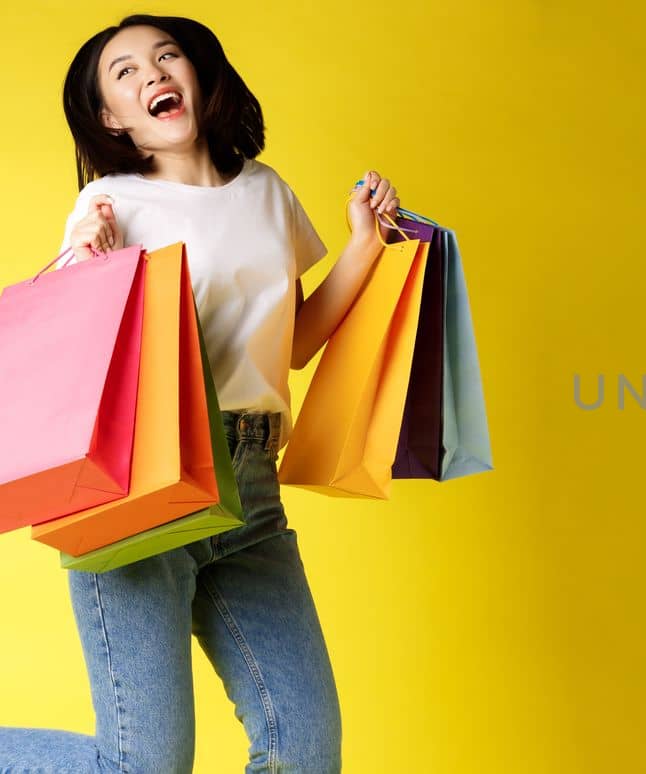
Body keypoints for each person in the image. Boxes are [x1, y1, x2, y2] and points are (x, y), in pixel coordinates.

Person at [0, 14, 403, 772]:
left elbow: (294, 343)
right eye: (123, 73)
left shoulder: (266, 194)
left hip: (250, 491)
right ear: (112, 118)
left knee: (305, 750)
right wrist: (94, 267)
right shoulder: (112, 205)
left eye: (165, 56)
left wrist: (363, 243)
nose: (150, 74)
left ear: (197, 74)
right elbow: (82, 362)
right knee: (145, 765)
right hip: (142, 493)